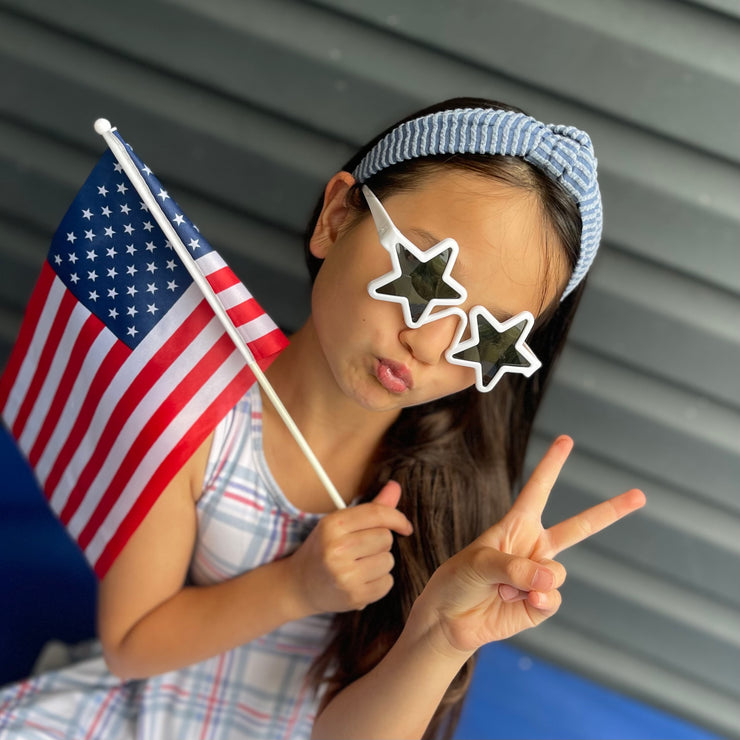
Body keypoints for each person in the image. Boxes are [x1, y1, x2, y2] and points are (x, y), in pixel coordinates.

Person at [0, 97, 645, 740]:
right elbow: (131, 643)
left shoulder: (450, 497)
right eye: (423, 278)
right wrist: (296, 587)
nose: (429, 343)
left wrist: (442, 638)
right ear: (338, 219)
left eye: (486, 336)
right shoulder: (196, 409)